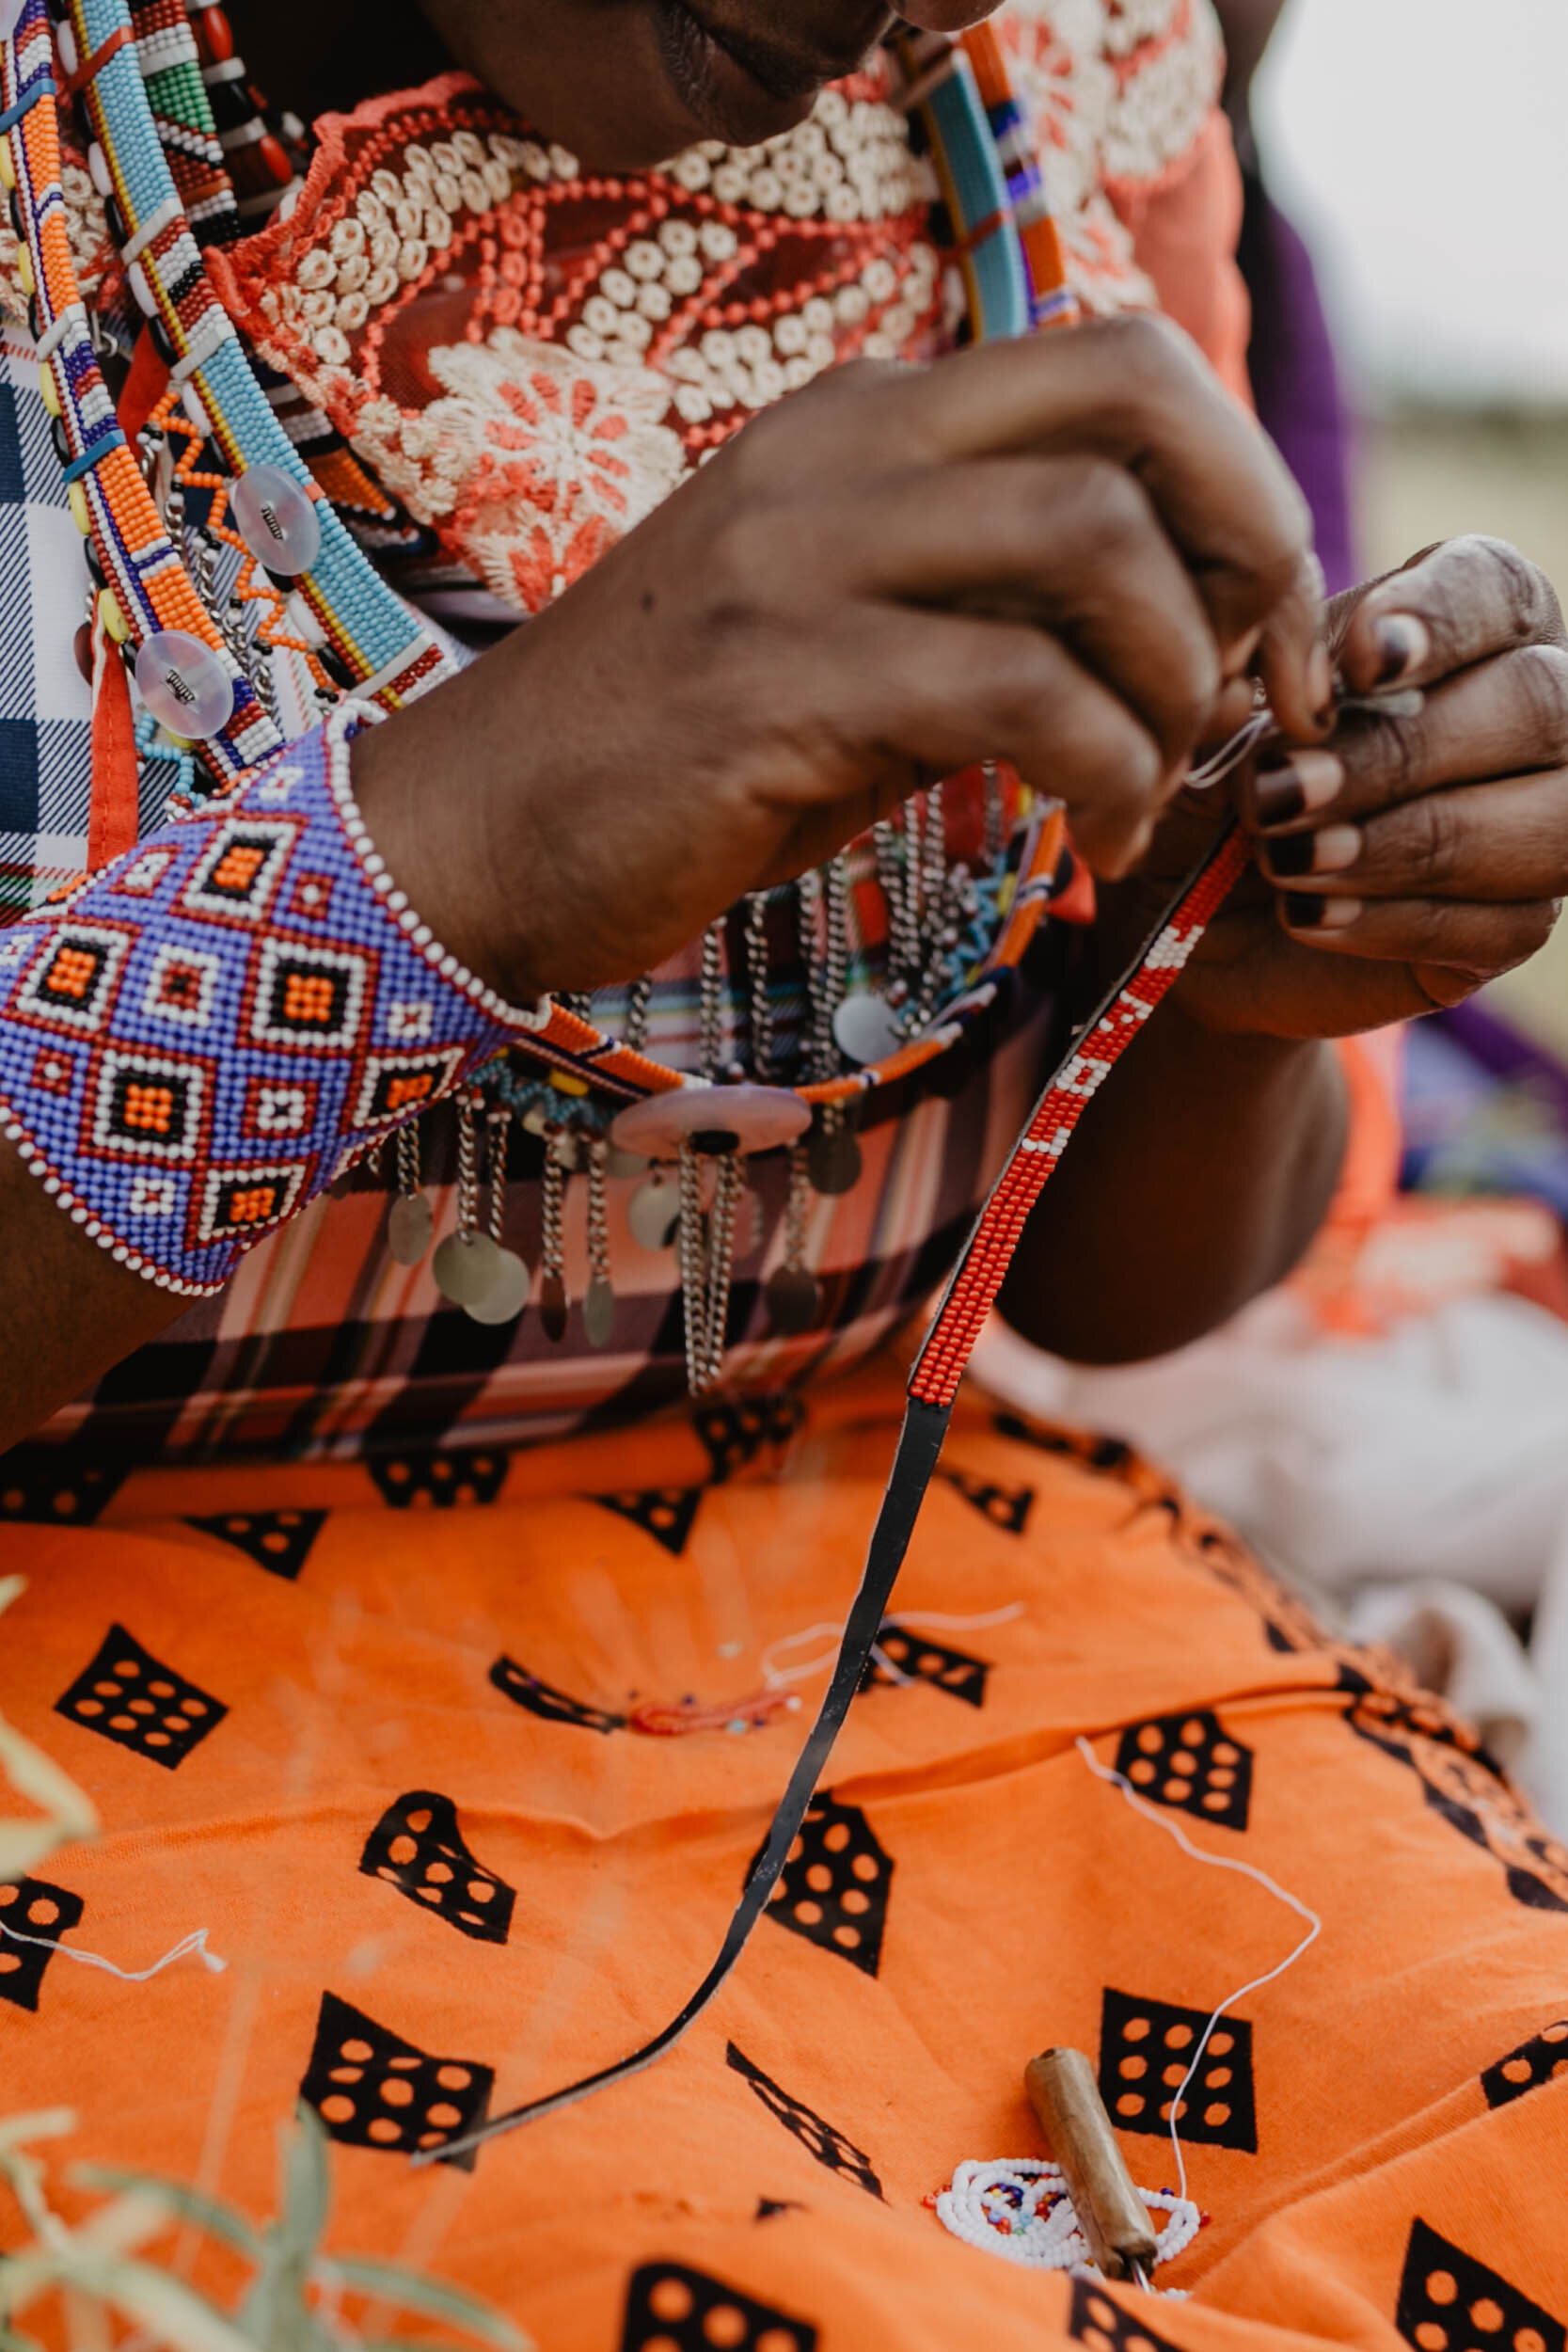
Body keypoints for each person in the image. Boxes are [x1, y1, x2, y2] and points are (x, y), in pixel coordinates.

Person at [1, 2, 1567, 2345]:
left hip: (891, 1631)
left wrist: (1226, 983)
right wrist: (467, 835)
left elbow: (1119, 1287)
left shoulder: (1061, 115)